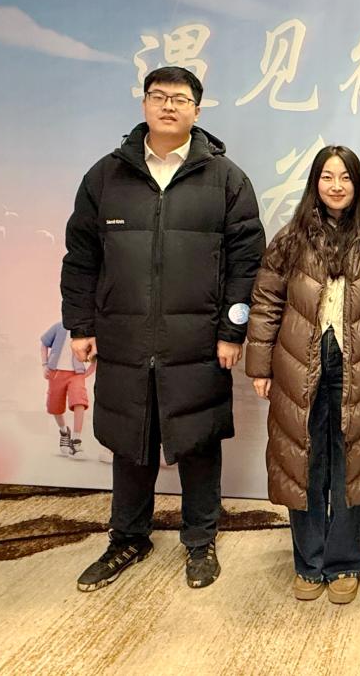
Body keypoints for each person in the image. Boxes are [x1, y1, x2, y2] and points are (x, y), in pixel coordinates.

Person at [61, 67, 264, 592]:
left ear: (197, 109)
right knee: (130, 442)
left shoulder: (226, 180)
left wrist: (232, 331)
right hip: (124, 338)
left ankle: (200, 540)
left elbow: (246, 264)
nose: (168, 106)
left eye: (179, 98)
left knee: (198, 440)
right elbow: (80, 258)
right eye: (158, 96)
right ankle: (128, 537)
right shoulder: (106, 177)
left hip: (197, 340)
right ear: (145, 104)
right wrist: (80, 324)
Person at [246, 145, 360, 604]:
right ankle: (308, 561)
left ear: (358, 184)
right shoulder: (291, 238)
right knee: (304, 463)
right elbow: (266, 302)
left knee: (353, 463)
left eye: (345, 178)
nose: (336, 186)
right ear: (315, 183)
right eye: (327, 177)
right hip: (299, 364)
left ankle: (345, 562)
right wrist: (260, 365)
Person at [40, 321, 95, 458]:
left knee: (79, 401)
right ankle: (64, 432)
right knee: (54, 406)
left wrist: (88, 372)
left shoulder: (87, 330)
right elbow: (44, 343)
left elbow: (95, 354)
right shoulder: (58, 327)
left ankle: (76, 441)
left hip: (76, 374)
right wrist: (44, 364)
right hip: (56, 372)